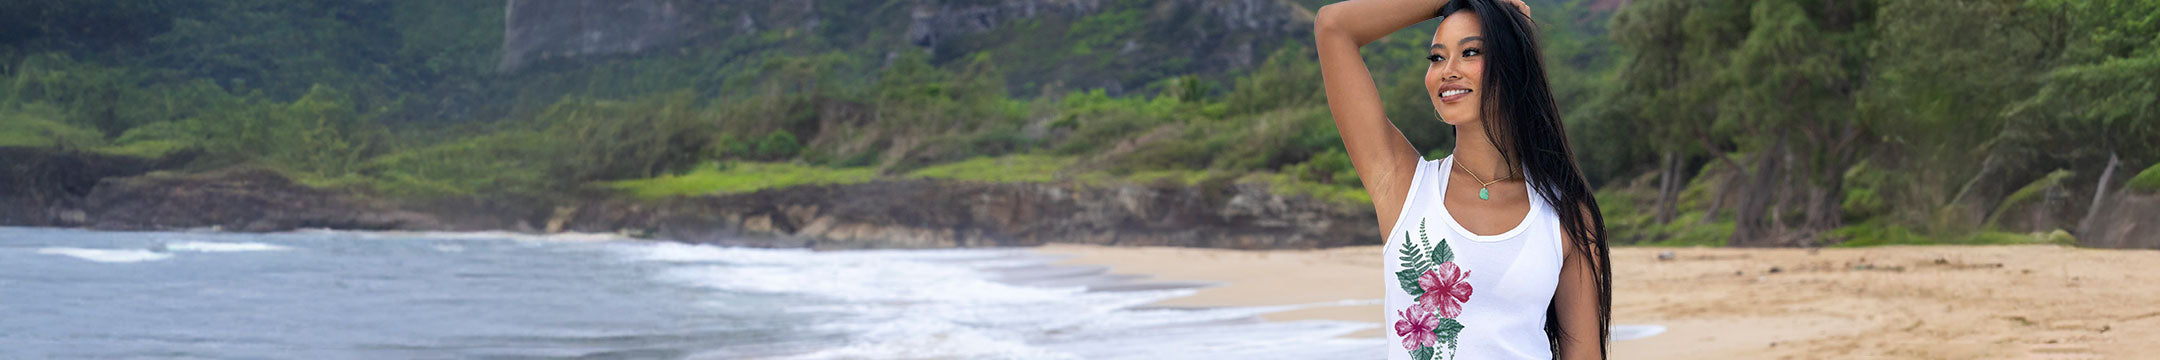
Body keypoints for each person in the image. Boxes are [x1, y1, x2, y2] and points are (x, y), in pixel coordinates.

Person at [1313, 0, 1611, 358]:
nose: (1448, 70)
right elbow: (1333, 26)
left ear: (1512, 64)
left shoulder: (1565, 217)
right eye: (1437, 57)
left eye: (1470, 52)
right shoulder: (1405, 186)